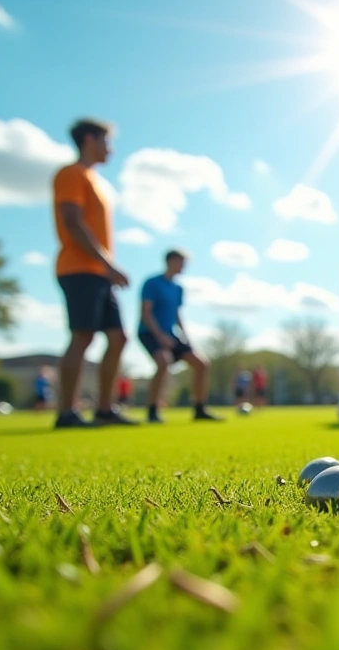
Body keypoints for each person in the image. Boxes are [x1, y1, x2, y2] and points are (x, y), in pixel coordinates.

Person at [52, 118, 136, 428]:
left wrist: (105, 267)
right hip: (79, 268)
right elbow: (73, 223)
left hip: (99, 272)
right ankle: (67, 412)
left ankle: (104, 409)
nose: (110, 149)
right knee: (82, 336)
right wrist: (107, 263)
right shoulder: (71, 174)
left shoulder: (96, 180)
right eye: (106, 141)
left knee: (118, 337)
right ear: (89, 139)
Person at [138, 249, 217, 423]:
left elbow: (177, 314)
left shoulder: (178, 288)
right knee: (163, 361)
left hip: (171, 334)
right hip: (149, 332)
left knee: (202, 364)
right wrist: (160, 336)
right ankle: (152, 411)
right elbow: (146, 313)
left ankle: (199, 409)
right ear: (170, 261)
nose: (183, 266)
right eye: (181, 262)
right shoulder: (152, 283)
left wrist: (185, 337)